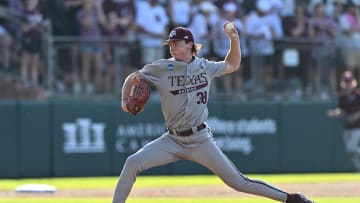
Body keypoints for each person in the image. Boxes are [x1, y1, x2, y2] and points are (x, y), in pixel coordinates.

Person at [112, 23, 315, 203]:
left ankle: (292, 199)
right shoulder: (162, 67)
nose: (172, 46)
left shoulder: (205, 67)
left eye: (177, 42)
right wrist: (124, 100)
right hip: (172, 140)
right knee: (132, 162)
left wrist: (234, 39)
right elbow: (133, 77)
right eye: (170, 43)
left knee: (239, 182)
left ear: (190, 44)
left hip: (200, 139)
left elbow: (233, 64)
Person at [327, 70, 360, 172]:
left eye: (349, 81)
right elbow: (342, 110)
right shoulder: (342, 96)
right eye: (346, 81)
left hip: (357, 126)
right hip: (347, 126)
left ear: (353, 81)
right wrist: (335, 113)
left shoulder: (358, 94)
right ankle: (358, 169)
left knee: (351, 148)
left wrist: (356, 115)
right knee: (350, 152)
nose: (348, 84)